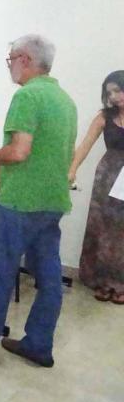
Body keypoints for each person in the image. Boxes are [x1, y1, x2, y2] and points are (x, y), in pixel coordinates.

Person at [0, 34, 77, 368]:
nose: (9, 65)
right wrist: (5, 159)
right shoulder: (64, 100)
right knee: (50, 276)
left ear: (25, 58)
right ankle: (39, 344)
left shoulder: (27, 96)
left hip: (19, 202)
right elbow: (48, 153)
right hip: (52, 200)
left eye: (10, 58)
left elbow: (20, 151)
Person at [68, 70, 124, 303]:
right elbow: (84, 146)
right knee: (102, 228)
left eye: (118, 90)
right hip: (108, 175)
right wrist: (72, 170)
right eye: (109, 92)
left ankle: (119, 283)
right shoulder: (103, 117)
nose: (114, 96)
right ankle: (101, 281)